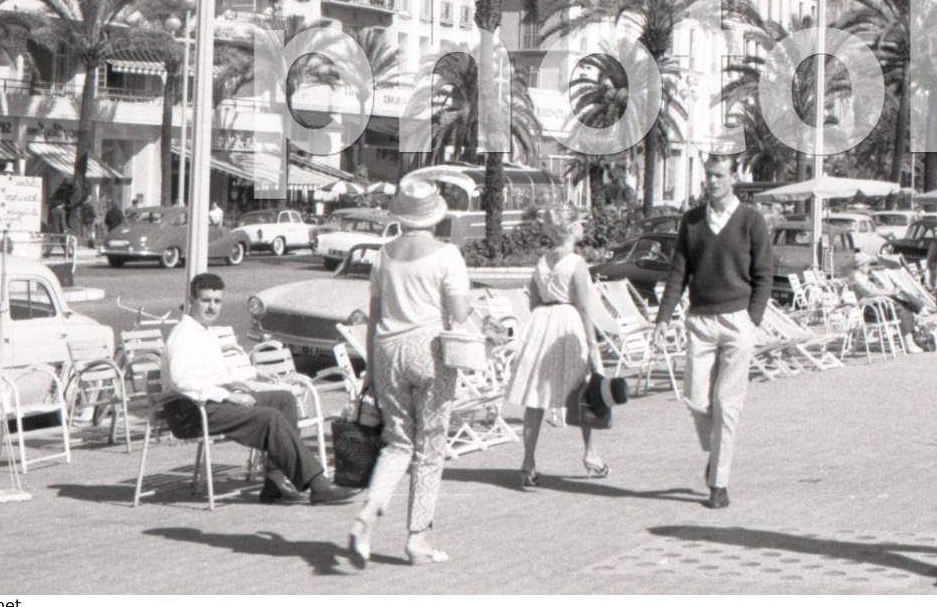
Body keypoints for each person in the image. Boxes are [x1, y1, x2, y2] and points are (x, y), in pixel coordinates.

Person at [349, 178, 472, 569]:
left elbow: (374, 316)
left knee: (397, 441)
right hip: (431, 349)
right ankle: (417, 540)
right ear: (435, 215)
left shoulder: (383, 255)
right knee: (430, 447)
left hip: (387, 352)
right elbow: (460, 313)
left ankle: (370, 509)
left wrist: (370, 368)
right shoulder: (447, 255)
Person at [161, 272, 354, 506]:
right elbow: (181, 381)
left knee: (283, 399)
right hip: (188, 411)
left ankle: (275, 483)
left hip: (207, 403)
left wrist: (254, 373)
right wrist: (230, 396)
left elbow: (218, 375)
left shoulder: (203, 332)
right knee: (270, 417)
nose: (212, 308)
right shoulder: (184, 335)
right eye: (205, 301)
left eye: (217, 301)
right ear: (191, 301)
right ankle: (319, 485)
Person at [651, 153, 774, 511]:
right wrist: (663, 318)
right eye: (710, 175)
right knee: (695, 399)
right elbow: (678, 273)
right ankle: (716, 449)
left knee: (726, 405)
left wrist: (752, 318)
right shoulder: (691, 222)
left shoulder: (751, 220)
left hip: (738, 321)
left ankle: (718, 484)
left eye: (720, 175)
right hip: (700, 321)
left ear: (734, 178)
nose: (713, 182)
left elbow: (763, 274)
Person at [502, 204, 608, 487]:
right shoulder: (576, 263)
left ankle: (528, 462)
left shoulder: (542, 261)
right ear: (572, 228)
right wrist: (593, 346)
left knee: (536, 398)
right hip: (567, 323)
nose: (584, 227)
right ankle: (591, 454)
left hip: (541, 322)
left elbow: (534, 301)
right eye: (581, 223)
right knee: (582, 391)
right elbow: (584, 308)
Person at [848, 251, 925, 354]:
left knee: (903, 304)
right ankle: (909, 342)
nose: (869, 267)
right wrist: (889, 293)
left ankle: (912, 333)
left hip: (876, 305)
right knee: (901, 309)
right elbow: (870, 293)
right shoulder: (857, 278)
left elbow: (873, 291)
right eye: (868, 265)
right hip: (870, 310)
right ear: (862, 266)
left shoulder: (862, 276)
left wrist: (888, 292)